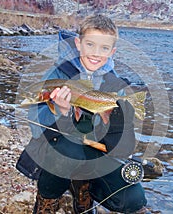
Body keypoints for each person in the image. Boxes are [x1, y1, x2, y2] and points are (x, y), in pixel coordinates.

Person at [16, 14, 147, 213]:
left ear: (112, 52)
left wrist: (118, 118)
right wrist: (62, 112)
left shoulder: (116, 85)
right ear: (78, 43)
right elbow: (36, 126)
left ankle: (82, 187)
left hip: (93, 153)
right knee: (68, 152)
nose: (96, 53)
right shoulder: (58, 74)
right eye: (90, 44)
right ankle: (47, 197)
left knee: (134, 198)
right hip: (58, 149)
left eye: (104, 48)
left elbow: (121, 144)